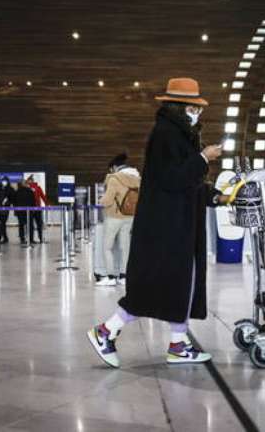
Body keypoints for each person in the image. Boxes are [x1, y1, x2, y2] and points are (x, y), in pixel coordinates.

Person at [87, 77, 227, 368]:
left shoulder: (176, 134)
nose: (197, 113)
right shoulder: (166, 134)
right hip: (166, 227)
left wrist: (214, 195)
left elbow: (184, 182)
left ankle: (177, 344)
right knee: (156, 287)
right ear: (180, 106)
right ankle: (105, 331)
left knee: (176, 285)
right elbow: (172, 179)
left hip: (174, 224)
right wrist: (203, 157)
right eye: (193, 107)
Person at [95, 153, 141, 286]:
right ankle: (123, 276)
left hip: (114, 217)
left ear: (115, 167)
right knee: (124, 247)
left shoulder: (114, 178)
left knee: (107, 247)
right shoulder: (137, 178)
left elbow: (108, 199)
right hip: (130, 216)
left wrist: (100, 200)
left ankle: (110, 277)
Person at [26, 175, 48, 243]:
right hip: (32, 209)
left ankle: (40, 238)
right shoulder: (28, 188)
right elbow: (43, 196)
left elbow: (42, 196)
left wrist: (47, 203)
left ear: (32, 180)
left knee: (37, 224)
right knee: (33, 225)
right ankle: (34, 239)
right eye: (28, 181)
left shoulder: (37, 188)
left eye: (30, 180)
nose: (29, 182)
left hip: (36, 208)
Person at [15, 180, 36, 245]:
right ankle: (31, 239)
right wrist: (33, 210)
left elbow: (15, 203)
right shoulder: (30, 191)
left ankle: (23, 239)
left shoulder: (17, 192)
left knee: (22, 226)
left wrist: (16, 212)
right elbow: (33, 201)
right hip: (28, 211)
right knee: (30, 226)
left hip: (20, 212)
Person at [0, 176, 13, 244]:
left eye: (5, 181)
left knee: (2, 223)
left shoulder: (10, 189)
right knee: (1, 223)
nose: (4, 182)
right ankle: (4, 238)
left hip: (6, 208)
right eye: (3, 181)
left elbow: (12, 198)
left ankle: (1, 238)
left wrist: (7, 202)